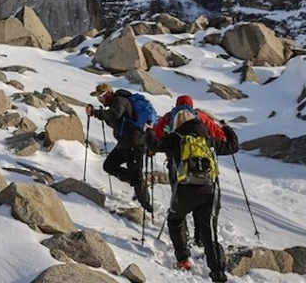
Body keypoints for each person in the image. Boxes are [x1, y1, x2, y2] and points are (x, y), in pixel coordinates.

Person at [145, 103, 238, 281]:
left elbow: (154, 145)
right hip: (209, 190)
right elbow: (233, 146)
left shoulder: (175, 137)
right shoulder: (207, 138)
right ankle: (218, 273)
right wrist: (227, 129)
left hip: (185, 190)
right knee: (210, 234)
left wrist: (148, 130)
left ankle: (183, 259)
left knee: (175, 219)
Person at [87, 83, 153, 212]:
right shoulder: (115, 103)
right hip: (125, 144)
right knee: (109, 166)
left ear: (109, 93)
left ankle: (147, 207)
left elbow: (114, 115)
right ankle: (137, 184)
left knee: (136, 176)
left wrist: (96, 113)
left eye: (101, 96)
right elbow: (115, 119)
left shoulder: (119, 101)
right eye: (98, 97)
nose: (99, 99)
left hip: (135, 144)